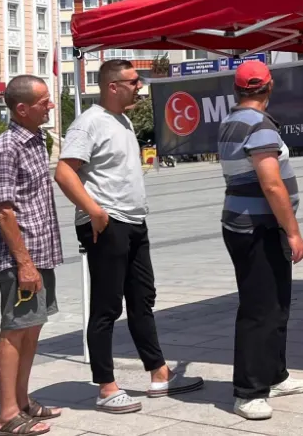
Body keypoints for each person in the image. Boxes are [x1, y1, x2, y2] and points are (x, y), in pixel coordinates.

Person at [56, 60, 203, 413]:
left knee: (142, 299)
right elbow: (64, 171)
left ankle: (159, 373)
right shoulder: (89, 122)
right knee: (107, 305)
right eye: (134, 81)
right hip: (107, 223)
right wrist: (94, 211)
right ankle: (106, 386)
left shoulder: (121, 120)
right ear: (112, 86)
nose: (140, 86)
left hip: (134, 221)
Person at [217, 60, 303, 420]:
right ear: (269, 87)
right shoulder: (258, 125)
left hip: (246, 223)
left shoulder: (232, 120)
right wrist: (292, 230)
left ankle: (275, 374)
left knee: (275, 305)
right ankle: (248, 391)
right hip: (256, 227)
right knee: (260, 309)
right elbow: (271, 183)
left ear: (236, 89)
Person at [0, 76, 63, 435]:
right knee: (14, 331)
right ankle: (7, 413)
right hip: (20, 258)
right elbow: (3, 211)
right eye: (44, 101)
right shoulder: (7, 147)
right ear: (22, 108)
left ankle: (23, 401)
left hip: (40, 253)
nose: (51, 106)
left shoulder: (35, 141)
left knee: (31, 328)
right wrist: (24, 263)